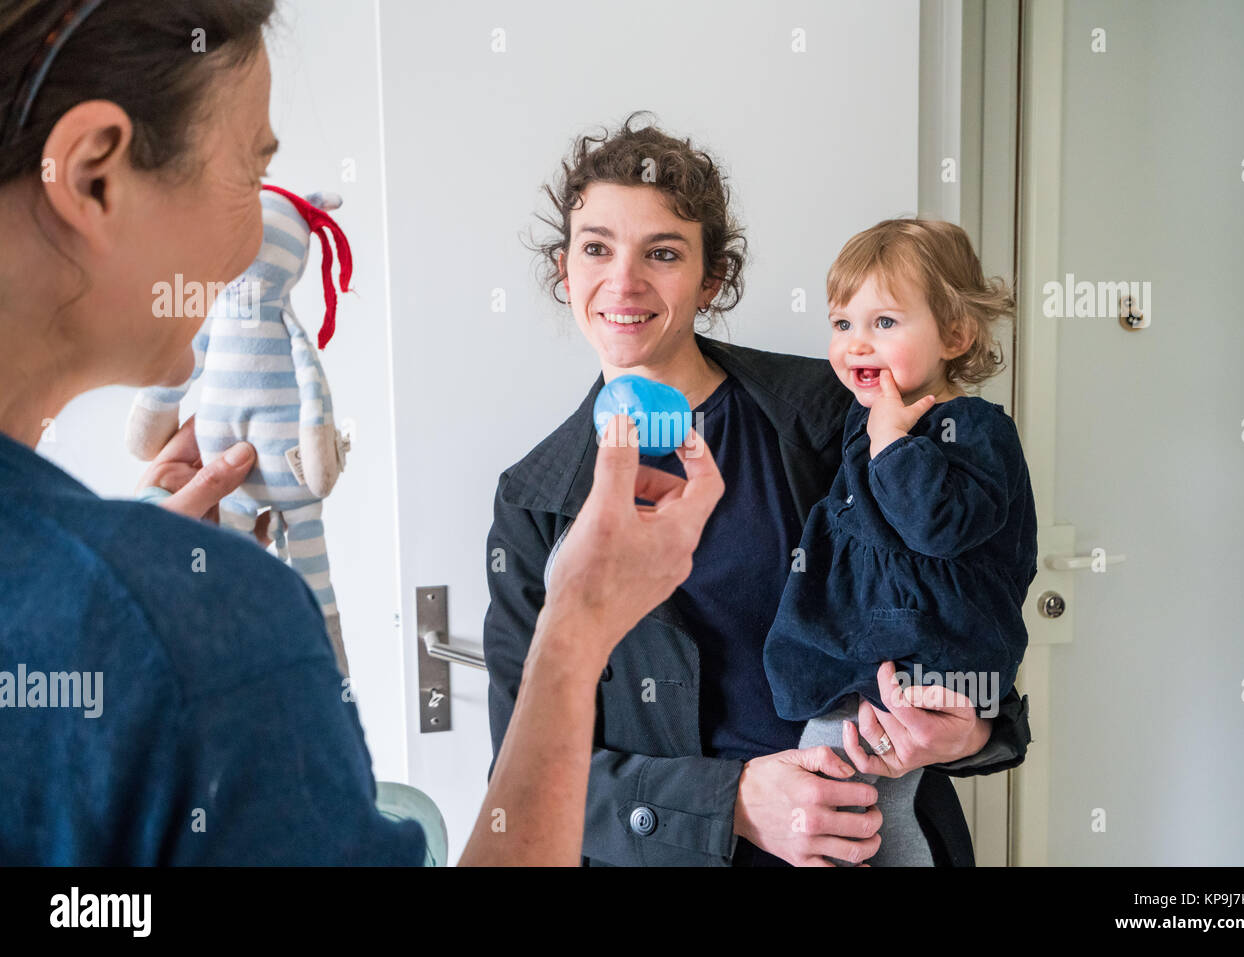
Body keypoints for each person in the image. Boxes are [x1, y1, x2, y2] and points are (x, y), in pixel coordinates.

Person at [0, 0, 721, 866]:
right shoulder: (207, 616)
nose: (260, 239)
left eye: (665, 251)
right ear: (94, 176)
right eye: (253, 170)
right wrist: (573, 631)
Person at [483, 113, 1032, 868]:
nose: (624, 281)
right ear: (564, 268)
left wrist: (968, 728)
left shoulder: (839, 411)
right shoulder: (533, 502)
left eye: (663, 252)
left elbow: (972, 589)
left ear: (712, 278)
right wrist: (731, 802)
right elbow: (520, 787)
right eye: (596, 248)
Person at [763, 218, 1038, 866]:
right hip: (874, 656)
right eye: (841, 323)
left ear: (956, 334)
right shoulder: (866, 422)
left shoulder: (972, 427)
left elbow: (934, 524)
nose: (858, 342)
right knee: (867, 805)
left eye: (884, 322)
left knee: (836, 799)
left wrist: (890, 440)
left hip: (919, 658)